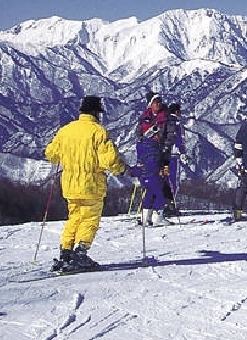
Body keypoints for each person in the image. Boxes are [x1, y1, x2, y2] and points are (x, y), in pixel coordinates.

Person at [44, 95, 126, 272]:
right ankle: (80, 254)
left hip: (70, 185)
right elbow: (110, 160)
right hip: (91, 184)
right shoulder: (98, 131)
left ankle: (65, 253)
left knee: (74, 218)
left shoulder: (65, 130)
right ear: (97, 113)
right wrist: (121, 169)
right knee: (89, 219)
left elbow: (51, 154)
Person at [133, 91, 173, 226]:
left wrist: (164, 147)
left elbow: (170, 137)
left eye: (160, 101)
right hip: (147, 153)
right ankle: (156, 214)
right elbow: (138, 134)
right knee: (155, 185)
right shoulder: (144, 117)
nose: (159, 104)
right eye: (156, 102)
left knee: (155, 184)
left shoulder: (166, 118)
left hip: (159, 153)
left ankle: (148, 215)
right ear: (150, 104)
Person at [161, 102, 187, 217]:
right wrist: (182, 151)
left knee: (164, 179)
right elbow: (178, 140)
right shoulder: (176, 123)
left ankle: (161, 204)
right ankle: (170, 205)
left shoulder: (164, 121)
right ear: (177, 112)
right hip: (173, 156)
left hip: (162, 155)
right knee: (172, 181)